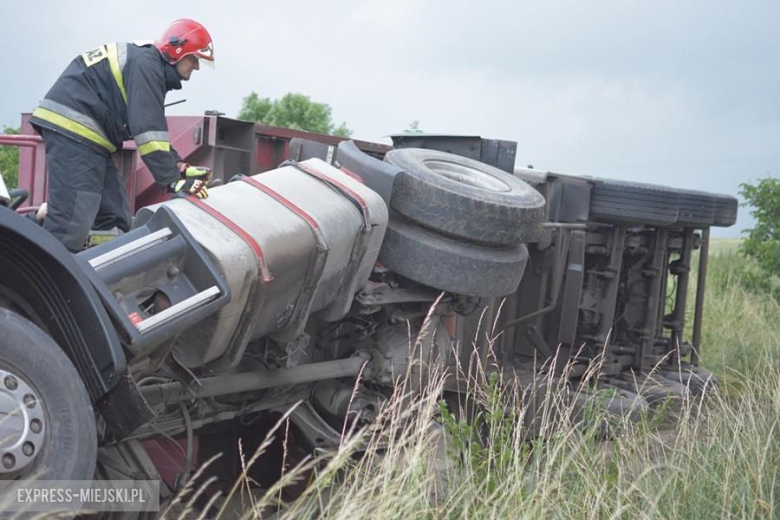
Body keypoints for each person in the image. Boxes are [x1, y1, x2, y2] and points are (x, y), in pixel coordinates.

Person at [29, 19, 214, 252]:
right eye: (193, 59)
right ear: (176, 51)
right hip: (75, 130)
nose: (196, 67)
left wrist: (178, 167)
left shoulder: (148, 64)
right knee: (70, 224)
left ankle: (103, 276)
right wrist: (172, 180)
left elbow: (152, 127)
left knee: (114, 218)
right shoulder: (147, 67)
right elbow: (147, 130)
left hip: (91, 139)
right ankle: (35, 281)